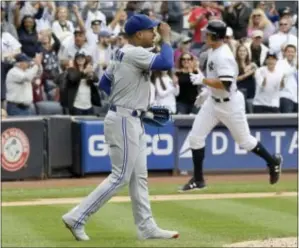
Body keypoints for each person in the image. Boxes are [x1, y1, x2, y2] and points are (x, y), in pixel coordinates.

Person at [62, 14, 179, 241]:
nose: (154, 34)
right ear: (139, 34)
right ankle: (77, 217)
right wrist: (166, 38)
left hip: (130, 117)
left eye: (156, 31)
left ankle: (146, 226)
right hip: (125, 119)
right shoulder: (135, 52)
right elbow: (166, 62)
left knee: (139, 177)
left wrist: (131, 99)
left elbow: (105, 83)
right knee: (121, 176)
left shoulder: (122, 52)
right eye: (151, 31)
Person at [179, 20, 283, 192]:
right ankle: (198, 179)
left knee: (245, 141)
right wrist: (207, 91)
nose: (205, 35)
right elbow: (220, 79)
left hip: (230, 105)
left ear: (215, 36)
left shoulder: (223, 55)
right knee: (195, 138)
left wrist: (203, 81)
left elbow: (226, 83)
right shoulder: (213, 51)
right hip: (214, 102)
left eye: (208, 33)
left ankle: (273, 162)